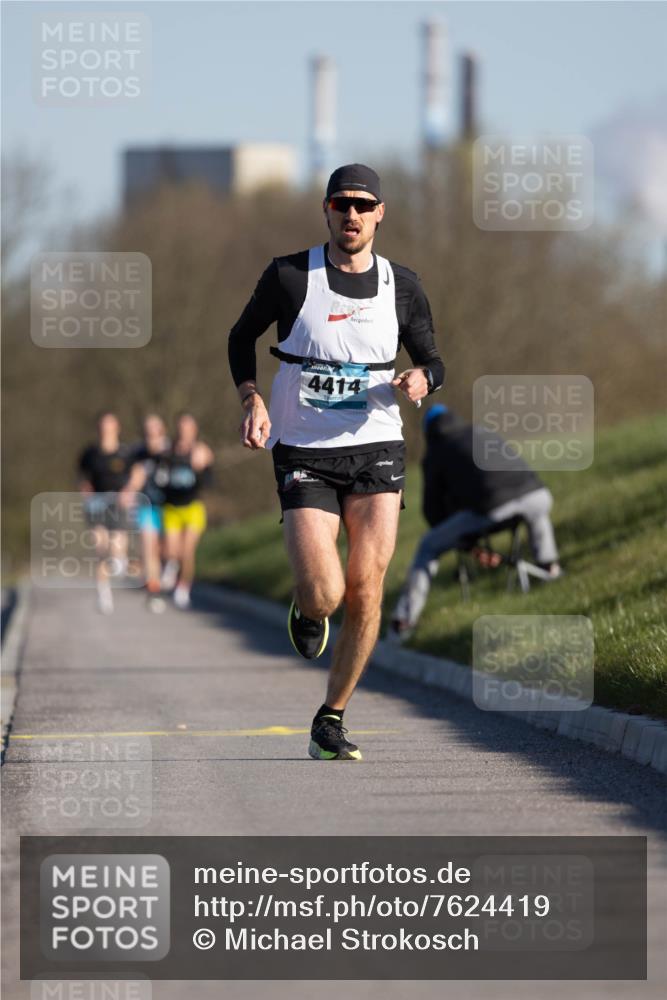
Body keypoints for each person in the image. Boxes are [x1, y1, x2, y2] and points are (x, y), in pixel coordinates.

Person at [228, 163, 444, 761]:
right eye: (340, 204)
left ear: (379, 214)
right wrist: (251, 399)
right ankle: (308, 602)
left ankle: (331, 716)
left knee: (368, 585)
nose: (351, 214)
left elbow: (434, 358)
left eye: (362, 205)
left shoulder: (402, 285)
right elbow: (239, 337)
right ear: (326, 210)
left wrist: (423, 377)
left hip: (377, 444)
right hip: (303, 448)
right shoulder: (291, 276)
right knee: (327, 593)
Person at [389, 405, 562, 641]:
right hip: (538, 494)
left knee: (428, 545)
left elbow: (433, 512)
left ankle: (404, 621)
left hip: (493, 508)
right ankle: (550, 568)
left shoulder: (437, 452)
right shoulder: (481, 432)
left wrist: (469, 545)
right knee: (535, 510)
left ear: (429, 432)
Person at [78, 411, 136, 614]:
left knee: (116, 547)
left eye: (110, 425)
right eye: (103, 425)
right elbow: (83, 478)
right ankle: (104, 593)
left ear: (117, 428)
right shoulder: (89, 453)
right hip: (96, 504)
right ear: (98, 428)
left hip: (118, 503)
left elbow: (136, 475)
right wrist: (85, 490)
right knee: (99, 548)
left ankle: (121, 561)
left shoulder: (126, 453)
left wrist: (129, 492)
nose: (106, 429)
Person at [160, 413, 214, 609]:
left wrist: (201, 467)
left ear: (195, 430)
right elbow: (160, 478)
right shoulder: (168, 451)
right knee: (171, 550)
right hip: (172, 507)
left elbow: (209, 482)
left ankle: (183, 588)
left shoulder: (201, 451)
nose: (185, 431)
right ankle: (171, 566)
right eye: (181, 427)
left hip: (193, 506)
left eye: (188, 427)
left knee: (187, 551)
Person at [126, 414, 171, 613]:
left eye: (155, 432)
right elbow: (130, 478)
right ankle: (154, 590)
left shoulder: (172, 451)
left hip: (170, 506)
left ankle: (169, 570)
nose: (151, 436)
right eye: (147, 433)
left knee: (167, 550)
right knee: (149, 546)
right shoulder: (136, 453)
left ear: (162, 432)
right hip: (147, 505)